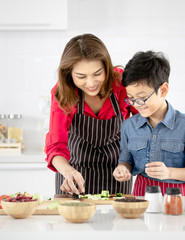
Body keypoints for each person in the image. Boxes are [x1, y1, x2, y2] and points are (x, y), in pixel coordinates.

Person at [44, 33, 137, 195]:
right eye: (81, 76)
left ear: (106, 67)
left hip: (117, 174)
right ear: (69, 74)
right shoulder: (62, 93)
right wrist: (67, 171)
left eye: (97, 73)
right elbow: (55, 146)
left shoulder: (121, 83)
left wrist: (128, 164)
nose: (91, 83)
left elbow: (144, 123)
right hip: (73, 176)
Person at [113, 51, 185, 196]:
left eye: (142, 97)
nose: (136, 104)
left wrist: (169, 172)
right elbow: (126, 161)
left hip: (176, 197)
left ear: (163, 90)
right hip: (141, 195)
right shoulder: (128, 126)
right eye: (131, 98)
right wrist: (122, 169)